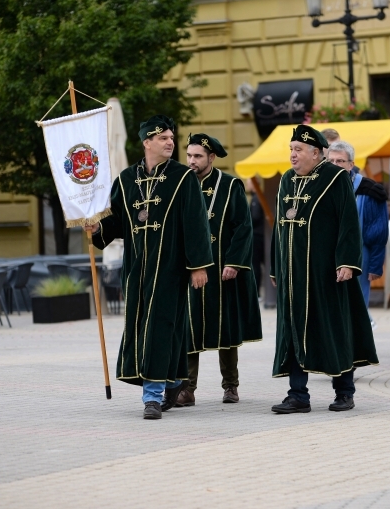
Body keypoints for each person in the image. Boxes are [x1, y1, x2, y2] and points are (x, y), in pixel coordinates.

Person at [89, 115, 213, 420]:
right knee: (144, 328)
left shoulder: (183, 178)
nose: (170, 142)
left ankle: (153, 396)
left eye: (171, 138)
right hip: (135, 270)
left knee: (160, 327)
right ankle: (172, 380)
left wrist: (198, 266)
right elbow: (115, 221)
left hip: (170, 267)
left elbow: (195, 223)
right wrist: (96, 229)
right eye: (163, 138)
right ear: (147, 142)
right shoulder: (126, 180)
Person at [270, 125, 379, 414]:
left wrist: (347, 261)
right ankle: (297, 395)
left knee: (334, 329)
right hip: (293, 275)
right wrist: (275, 266)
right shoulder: (286, 181)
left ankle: (344, 392)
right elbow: (278, 227)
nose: (293, 155)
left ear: (316, 153)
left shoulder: (335, 179)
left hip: (326, 273)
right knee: (293, 331)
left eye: (299, 150)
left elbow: (348, 222)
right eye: (291, 149)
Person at [178, 133, 263, 406]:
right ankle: (187, 389)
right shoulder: (179, 184)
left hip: (221, 270)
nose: (192, 161)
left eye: (198, 157)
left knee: (225, 331)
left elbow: (243, 227)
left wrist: (233, 262)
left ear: (211, 157)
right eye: (189, 155)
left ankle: (231, 386)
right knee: (190, 330)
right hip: (189, 270)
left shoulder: (230, 185)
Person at [326, 141, 389, 311]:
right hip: (327, 255)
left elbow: (379, 232)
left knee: (357, 303)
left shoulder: (369, 190)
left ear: (351, 164)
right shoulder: (322, 188)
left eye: (339, 161)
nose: (334, 165)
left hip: (360, 256)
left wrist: (376, 265)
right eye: (330, 161)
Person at [247, 180, 266, 298]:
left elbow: (255, 217)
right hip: (260, 236)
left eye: (248, 182)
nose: (246, 185)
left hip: (257, 236)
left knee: (256, 265)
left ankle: (257, 293)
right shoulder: (257, 197)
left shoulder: (256, 199)